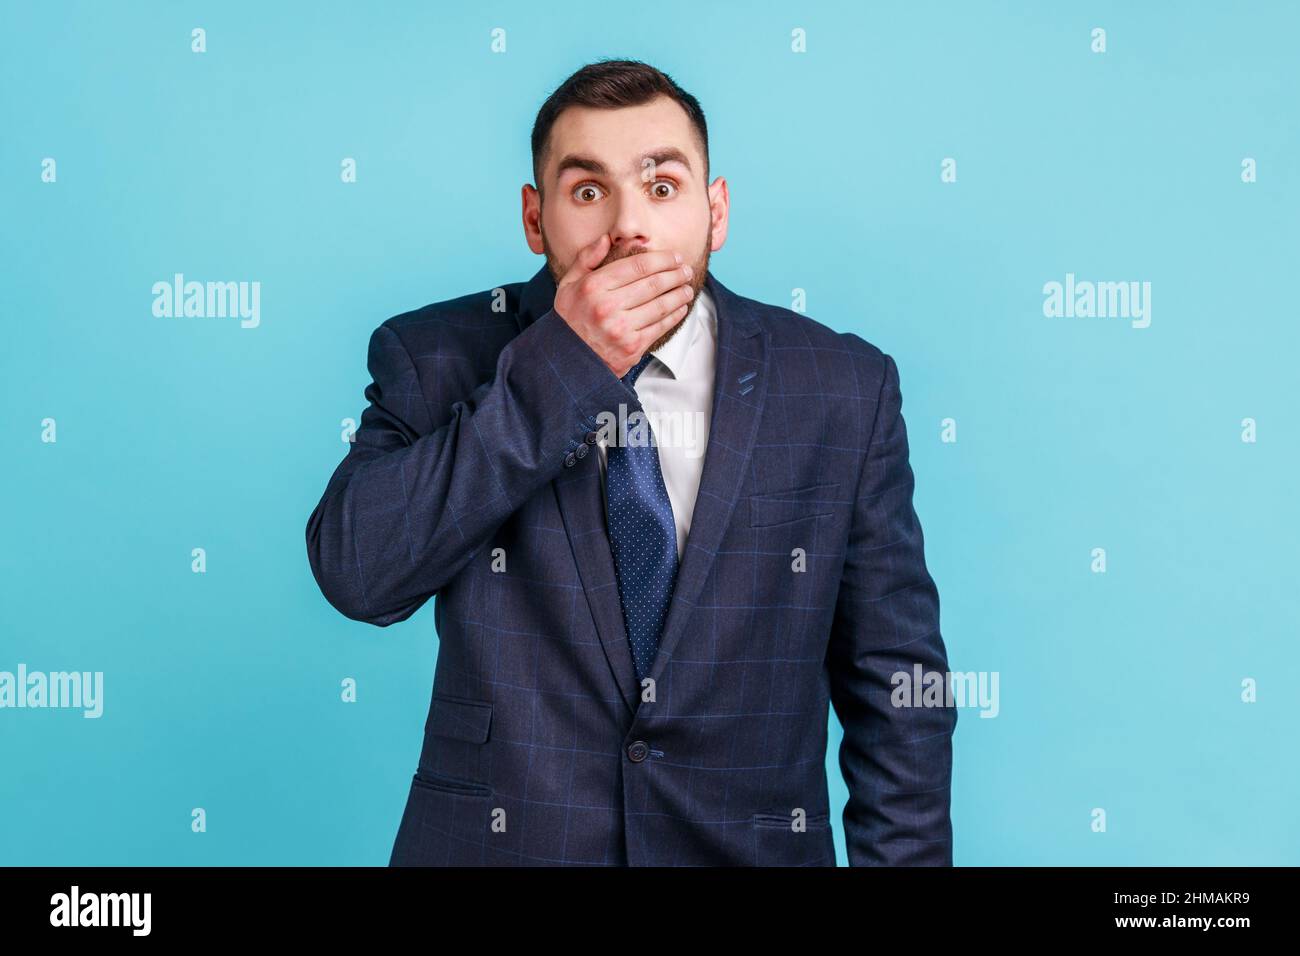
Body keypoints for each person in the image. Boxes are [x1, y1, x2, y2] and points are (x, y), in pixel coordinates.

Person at [305, 58, 957, 866]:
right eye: (587, 192)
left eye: (662, 186)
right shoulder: (434, 356)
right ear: (535, 220)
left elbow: (899, 694)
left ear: (715, 212)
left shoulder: (842, 391)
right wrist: (563, 367)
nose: (627, 228)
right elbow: (358, 576)